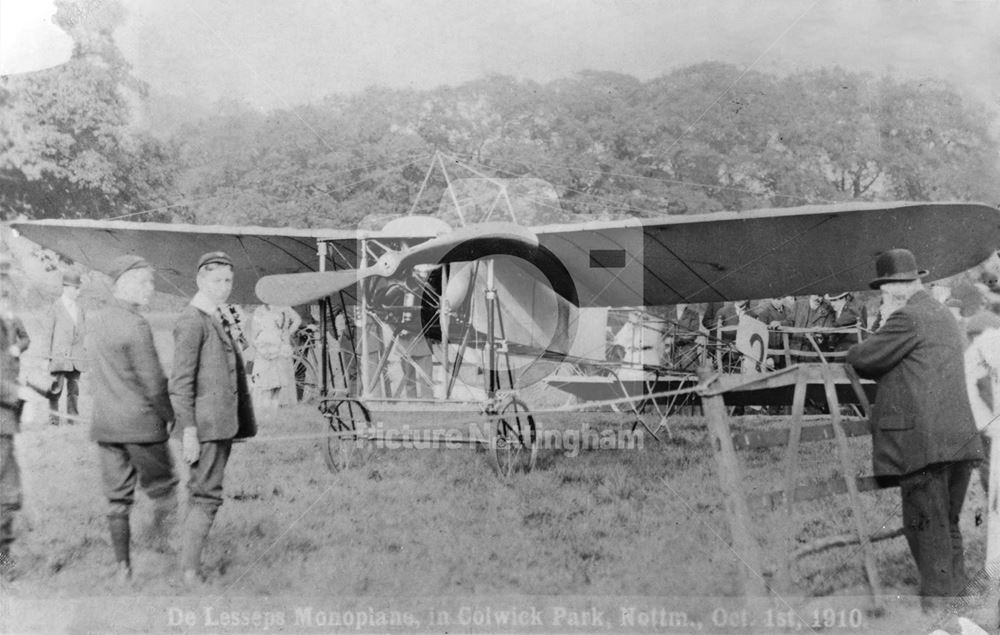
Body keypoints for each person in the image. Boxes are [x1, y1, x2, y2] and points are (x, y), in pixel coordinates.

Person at [847, 248, 984, 613]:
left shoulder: (906, 318)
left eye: (884, 290)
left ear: (892, 289)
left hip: (925, 444)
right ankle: (958, 605)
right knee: (948, 525)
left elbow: (862, 357)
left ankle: (940, 613)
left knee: (926, 527)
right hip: (959, 440)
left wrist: (883, 319)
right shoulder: (940, 314)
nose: (883, 297)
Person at [88, 256, 178, 582]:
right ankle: (165, 556)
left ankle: (122, 568)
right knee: (165, 489)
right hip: (142, 426)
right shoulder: (136, 324)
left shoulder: (96, 321)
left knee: (117, 499)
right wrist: (172, 417)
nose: (151, 289)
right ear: (122, 284)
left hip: (106, 425)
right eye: (144, 282)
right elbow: (153, 382)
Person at [170, 252, 256, 586]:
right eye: (217, 280)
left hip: (219, 424)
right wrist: (189, 430)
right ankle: (190, 572)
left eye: (228, 281)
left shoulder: (213, 316)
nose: (224, 287)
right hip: (204, 427)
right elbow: (180, 383)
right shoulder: (192, 320)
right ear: (200, 281)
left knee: (204, 493)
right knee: (206, 494)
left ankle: (189, 566)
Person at [0, 258, 33, 579]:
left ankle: (4, 562)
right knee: (5, 491)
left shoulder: (8, 319)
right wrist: (16, 395)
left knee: (9, 492)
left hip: (5, 421)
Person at [45, 271, 86, 425]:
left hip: (76, 358)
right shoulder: (55, 307)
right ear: (67, 288)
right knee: (55, 390)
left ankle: (72, 419)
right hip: (59, 357)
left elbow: (83, 333)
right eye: (76, 288)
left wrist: (84, 351)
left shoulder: (80, 308)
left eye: (79, 288)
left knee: (74, 390)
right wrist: (46, 357)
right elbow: (48, 333)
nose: (78, 292)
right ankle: (53, 421)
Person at [250, 304, 300, 410]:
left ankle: (276, 407)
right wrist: (257, 344)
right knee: (265, 380)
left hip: (279, 346)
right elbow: (255, 329)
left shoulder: (284, 308)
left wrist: (288, 333)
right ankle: (265, 407)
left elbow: (297, 320)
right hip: (264, 346)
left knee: (278, 379)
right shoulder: (260, 310)